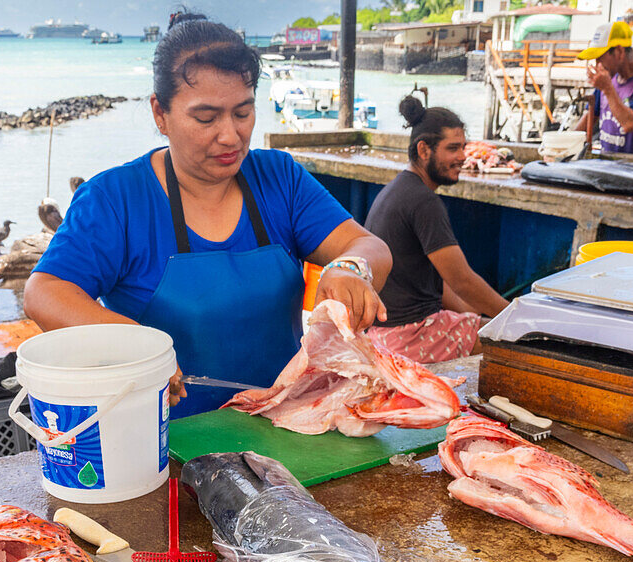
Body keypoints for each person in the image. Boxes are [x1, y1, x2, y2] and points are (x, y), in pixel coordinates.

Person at [25, 13, 392, 417]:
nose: (230, 136)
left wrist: (351, 269)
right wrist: (136, 346)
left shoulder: (279, 178)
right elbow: (44, 291)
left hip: (285, 424)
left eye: (242, 113)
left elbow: (366, 244)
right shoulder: (115, 199)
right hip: (165, 438)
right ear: (160, 114)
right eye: (206, 118)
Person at [364, 97, 508, 364]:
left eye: (463, 147)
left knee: (490, 327)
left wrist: (479, 320)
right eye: (452, 148)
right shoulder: (424, 201)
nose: (462, 157)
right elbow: (461, 280)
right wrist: (514, 318)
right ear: (424, 150)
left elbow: (439, 285)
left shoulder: (396, 190)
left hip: (382, 335)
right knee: (514, 348)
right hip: (410, 337)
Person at [575, 21, 633, 156]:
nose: (597, 64)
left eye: (600, 58)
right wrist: (566, 142)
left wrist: (608, 89)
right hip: (610, 163)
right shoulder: (608, 78)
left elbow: (630, 123)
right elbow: (591, 116)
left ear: (619, 51)